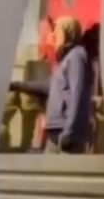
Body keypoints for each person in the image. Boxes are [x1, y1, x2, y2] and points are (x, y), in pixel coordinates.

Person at [11, 17, 94, 153]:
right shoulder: (66, 60)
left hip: (65, 134)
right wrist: (17, 85)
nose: (53, 36)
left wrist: (70, 131)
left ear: (67, 33)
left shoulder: (76, 56)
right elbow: (47, 86)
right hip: (55, 134)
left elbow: (78, 94)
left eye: (57, 32)